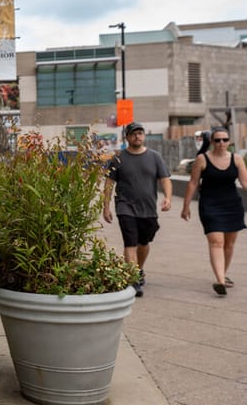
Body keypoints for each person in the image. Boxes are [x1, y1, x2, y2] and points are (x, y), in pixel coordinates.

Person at [103, 122, 173, 296]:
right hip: (125, 207)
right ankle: (133, 280)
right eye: (134, 133)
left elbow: (165, 179)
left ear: (144, 136)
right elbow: (109, 183)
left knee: (144, 243)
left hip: (148, 209)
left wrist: (168, 198)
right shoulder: (118, 158)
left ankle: (139, 270)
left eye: (140, 133)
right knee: (130, 243)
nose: (137, 136)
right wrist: (106, 207)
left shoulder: (154, 157)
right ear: (126, 137)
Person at [180, 127, 247, 295]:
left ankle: (222, 275)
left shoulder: (237, 159)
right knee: (216, 241)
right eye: (217, 140)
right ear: (211, 142)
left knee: (229, 244)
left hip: (232, 205)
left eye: (225, 140)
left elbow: (245, 183)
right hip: (210, 205)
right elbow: (193, 183)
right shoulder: (202, 159)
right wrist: (186, 206)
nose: (221, 143)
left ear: (229, 142)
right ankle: (220, 281)